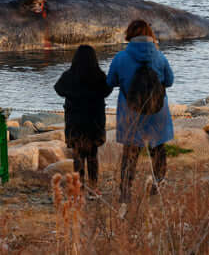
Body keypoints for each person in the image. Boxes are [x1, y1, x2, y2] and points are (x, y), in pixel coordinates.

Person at [107, 20, 174, 203]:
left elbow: (110, 82)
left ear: (130, 34)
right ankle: (157, 186)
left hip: (131, 110)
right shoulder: (160, 56)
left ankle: (126, 191)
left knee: (130, 152)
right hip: (157, 109)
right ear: (149, 34)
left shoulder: (121, 57)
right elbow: (169, 81)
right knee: (158, 148)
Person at [54, 45, 112, 191]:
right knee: (93, 155)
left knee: (78, 156)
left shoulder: (69, 75)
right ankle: (93, 187)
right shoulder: (100, 76)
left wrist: (73, 95)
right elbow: (108, 90)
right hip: (94, 123)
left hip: (75, 123)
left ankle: (78, 187)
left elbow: (58, 89)